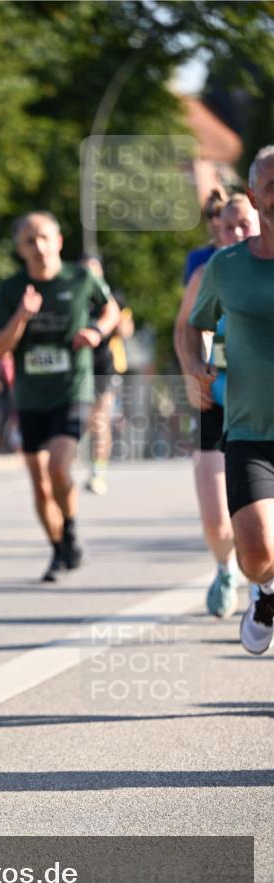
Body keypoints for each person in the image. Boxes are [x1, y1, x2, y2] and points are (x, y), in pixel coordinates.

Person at [0, 211, 120, 581]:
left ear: (59, 241)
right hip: (31, 396)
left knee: (58, 465)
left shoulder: (81, 279)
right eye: (30, 241)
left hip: (72, 389)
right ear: (20, 249)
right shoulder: (11, 289)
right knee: (39, 482)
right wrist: (21, 315)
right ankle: (59, 548)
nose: (39, 247)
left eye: (45, 238)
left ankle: (71, 528)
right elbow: (0, 349)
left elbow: (110, 309)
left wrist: (96, 331)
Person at [182, 145, 274, 655]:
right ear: (256, 197)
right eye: (272, 186)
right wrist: (195, 364)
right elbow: (191, 325)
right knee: (256, 552)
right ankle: (264, 589)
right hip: (248, 428)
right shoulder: (225, 267)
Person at [174, 193, 260, 618]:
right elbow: (184, 329)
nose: (236, 233)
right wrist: (193, 371)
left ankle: (261, 583)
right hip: (217, 400)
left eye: (244, 224)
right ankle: (225, 567)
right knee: (215, 518)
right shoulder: (212, 270)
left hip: (263, 403)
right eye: (227, 227)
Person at [79, 256, 131, 495]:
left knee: (100, 419)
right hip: (77, 366)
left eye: (94, 272)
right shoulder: (73, 297)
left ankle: (98, 473)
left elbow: (126, 331)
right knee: (83, 420)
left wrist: (116, 319)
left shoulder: (113, 298)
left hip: (104, 366)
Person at [183, 188, 226, 285]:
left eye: (219, 213)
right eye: (209, 215)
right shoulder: (197, 258)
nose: (214, 221)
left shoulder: (247, 252)